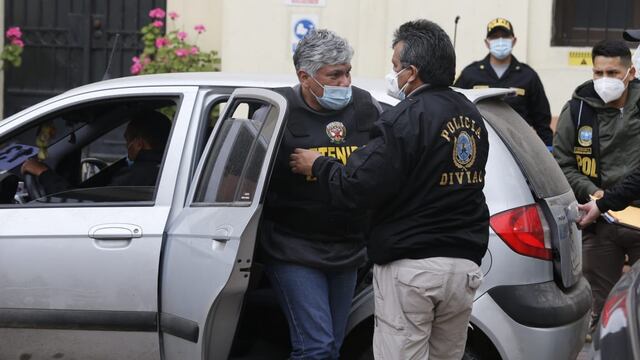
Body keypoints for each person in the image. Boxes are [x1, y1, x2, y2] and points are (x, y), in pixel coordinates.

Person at [289, 19, 488, 359]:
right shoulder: (470, 113)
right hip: (463, 269)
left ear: (412, 72)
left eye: (395, 66)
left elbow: (361, 186)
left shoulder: (404, 119)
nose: (391, 73)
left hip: (414, 269)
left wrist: (319, 165)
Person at [259, 29, 381, 359]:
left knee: (332, 346)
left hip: (347, 249)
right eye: (335, 75)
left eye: (348, 71)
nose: (345, 81)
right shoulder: (276, 111)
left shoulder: (366, 108)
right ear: (305, 76)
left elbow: (380, 172)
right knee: (317, 347)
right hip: (294, 249)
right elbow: (239, 179)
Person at [553, 39, 640, 335]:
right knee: (600, 310)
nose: (605, 80)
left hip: (638, 218)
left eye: (613, 73)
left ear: (631, 73)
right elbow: (562, 161)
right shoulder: (577, 110)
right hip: (599, 220)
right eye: (599, 73)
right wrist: (592, 192)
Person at [454, 17, 553, 148]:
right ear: (487, 42)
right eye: (494, 37)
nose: (500, 40)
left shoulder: (528, 76)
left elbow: (542, 121)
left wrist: (548, 150)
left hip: (519, 149)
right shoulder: (470, 74)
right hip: (478, 146)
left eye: (505, 36)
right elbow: (454, 110)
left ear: (514, 40)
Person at [21, 109, 171, 194]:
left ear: (139, 144)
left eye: (127, 140)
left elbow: (78, 203)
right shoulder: (161, 169)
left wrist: (42, 172)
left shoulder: (138, 175)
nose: (126, 146)